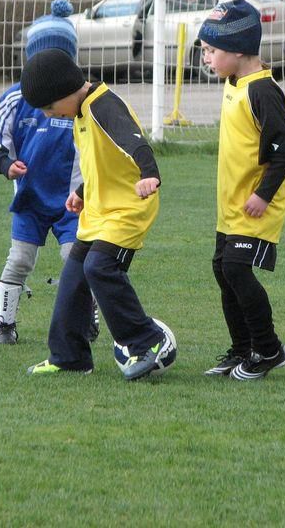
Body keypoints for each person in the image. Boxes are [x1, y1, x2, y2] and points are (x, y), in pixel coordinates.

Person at [18, 48, 173, 380]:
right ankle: (69, 357)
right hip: (99, 212)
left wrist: (150, 174)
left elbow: (135, 143)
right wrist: (82, 192)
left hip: (128, 208)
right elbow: (102, 164)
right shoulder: (80, 113)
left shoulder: (104, 106)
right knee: (73, 279)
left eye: (49, 107)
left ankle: (149, 340)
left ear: (65, 91)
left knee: (99, 267)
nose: (48, 115)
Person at [0, 0, 98, 345]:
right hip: (30, 200)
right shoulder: (15, 98)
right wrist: (6, 164)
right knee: (19, 259)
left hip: (72, 201)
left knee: (76, 260)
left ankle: (86, 316)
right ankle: (5, 324)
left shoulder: (81, 101)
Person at [197, 0, 285, 380]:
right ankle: (242, 349)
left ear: (238, 49)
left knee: (236, 270)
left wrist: (262, 195)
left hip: (258, 204)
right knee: (223, 270)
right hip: (231, 205)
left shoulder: (263, 92)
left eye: (211, 50)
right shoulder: (233, 82)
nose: (206, 58)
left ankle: (269, 350)